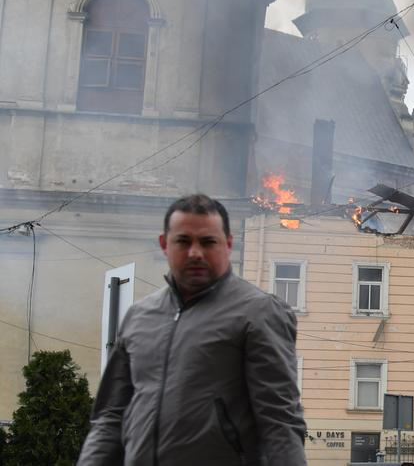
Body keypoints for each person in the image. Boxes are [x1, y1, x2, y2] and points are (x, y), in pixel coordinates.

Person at [78, 194, 307, 465]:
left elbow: (279, 420)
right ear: (165, 244)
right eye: (183, 241)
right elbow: (111, 416)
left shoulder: (259, 312)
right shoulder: (140, 316)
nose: (195, 252)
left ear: (228, 244)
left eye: (208, 242)